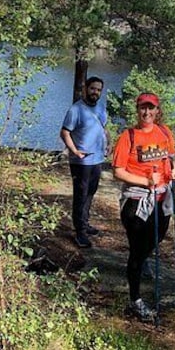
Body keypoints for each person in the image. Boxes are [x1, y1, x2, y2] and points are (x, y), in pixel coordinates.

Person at [112, 92, 175, 322]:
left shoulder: (164, 132)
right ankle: (135, 300)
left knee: (157, 238)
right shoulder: (128, 136)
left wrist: (174, 169)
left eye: (151, 109)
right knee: (137, 251)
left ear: (157, 111)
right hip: (136, 201)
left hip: (161, 198)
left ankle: (143, 262)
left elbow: (170, 157)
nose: (147, 113)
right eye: (143, 108)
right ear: (137, 110)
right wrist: (145, 181)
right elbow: (118, 171)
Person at [60, 76, 110, 249]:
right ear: (85, 89)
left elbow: (103, 128)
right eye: (92, 88)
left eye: (98, 89)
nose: (95, 92)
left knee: (91, 192)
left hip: (97, 159)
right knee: (80, 194)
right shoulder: (76, 110)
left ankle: (85, 223)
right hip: (81, 161)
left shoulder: (102, 108)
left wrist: (108, 143)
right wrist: (74, 151)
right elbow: (65, 132)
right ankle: (79, 232)